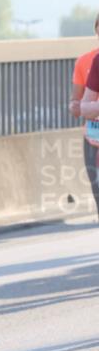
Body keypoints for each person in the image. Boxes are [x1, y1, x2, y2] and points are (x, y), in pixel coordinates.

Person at [70, 13, 99, 220]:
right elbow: (79, 101)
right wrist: (75, 106)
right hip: (94, 132)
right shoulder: (88, 61)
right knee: (95, 180)